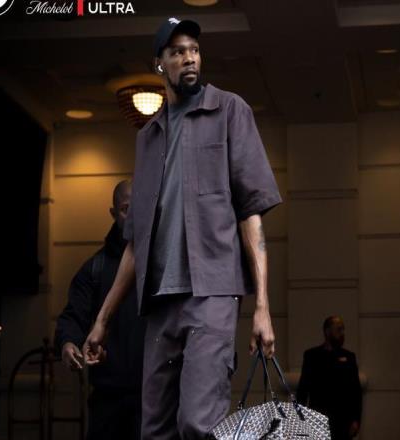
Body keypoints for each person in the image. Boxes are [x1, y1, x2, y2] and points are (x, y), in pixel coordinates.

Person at [84, 17, 283, 439]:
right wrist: (102, 320)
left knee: (198, 423)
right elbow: (136, 242)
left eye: (194, 49)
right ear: (159, 64)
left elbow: (251, 214)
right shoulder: (148, 137)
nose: (189, 58)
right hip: (159, 303)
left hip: (211, 294)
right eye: (177, 52)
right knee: (154, 428)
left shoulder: (229, 110)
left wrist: (262, 306)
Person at [54, 180, 146, 440]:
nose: (133, 217)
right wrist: (68, 343)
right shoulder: (95, 268)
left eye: (139, 208)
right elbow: (72, 317)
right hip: (107, 401)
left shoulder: (161, 266)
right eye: (126, 209)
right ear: (113, 213)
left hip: (152, 397)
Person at [297, 316, 362, 440]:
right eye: (338, 329)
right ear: (327, 331)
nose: (342, 333)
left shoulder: (349, 357)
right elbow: (303, 390)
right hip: (318, 419)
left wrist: (356, 420)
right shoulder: (312, 356)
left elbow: (356, 391)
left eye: (343, 329)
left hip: (343, 421)